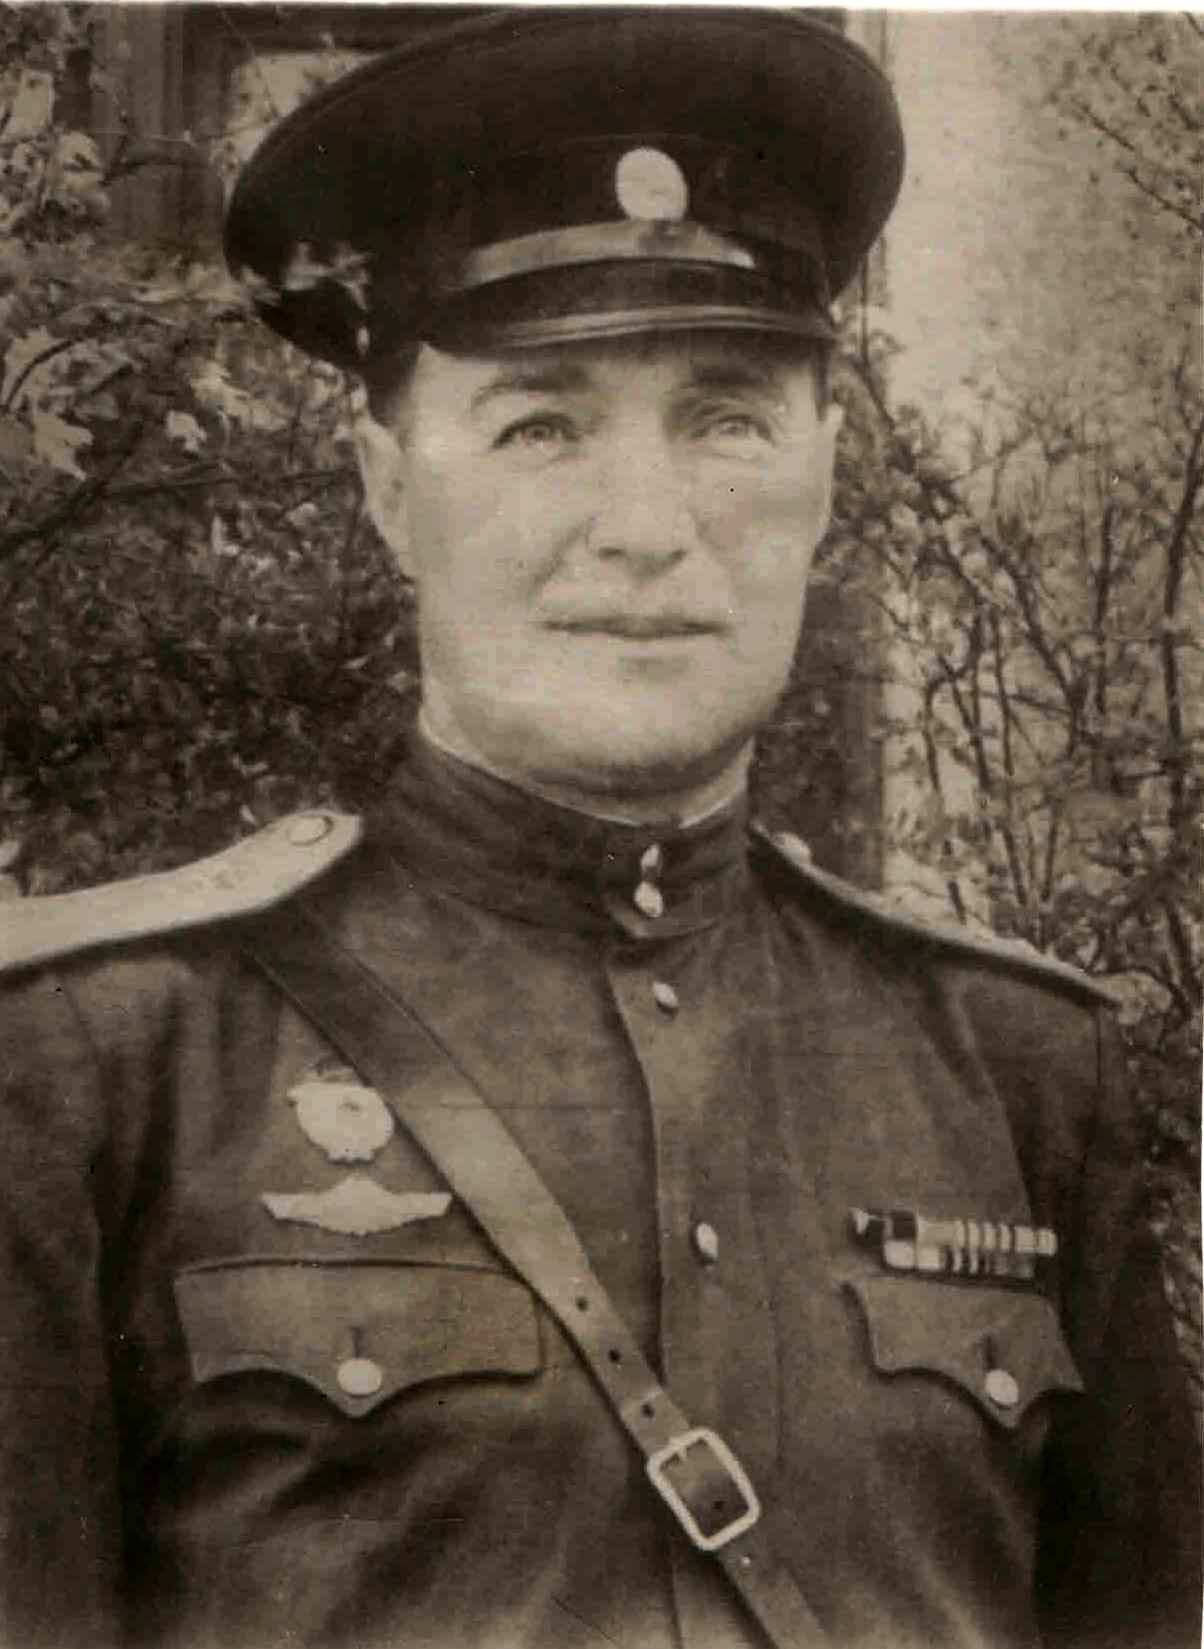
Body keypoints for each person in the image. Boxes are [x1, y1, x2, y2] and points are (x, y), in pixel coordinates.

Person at [0, 11, 1197, 1649]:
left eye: (727, 419)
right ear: (387, 487)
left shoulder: (1018, 1068)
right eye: (541, 425)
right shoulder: (102, 1061)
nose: (646, 528)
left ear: (825, 475)